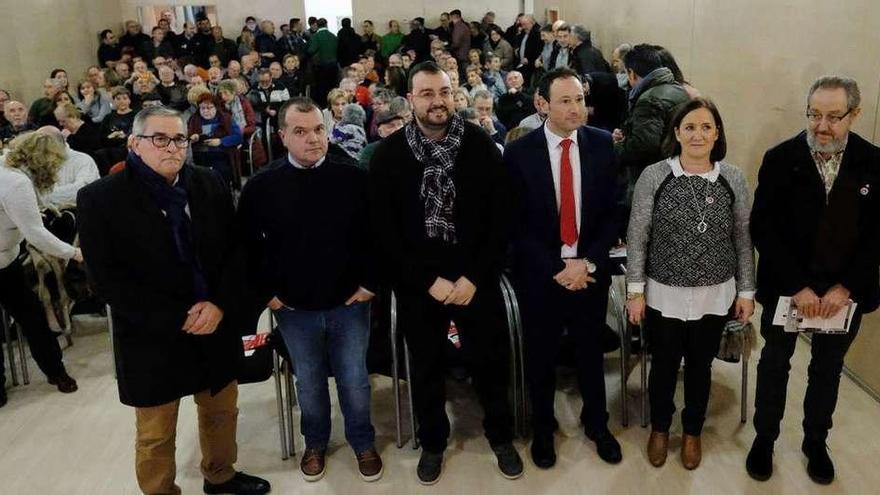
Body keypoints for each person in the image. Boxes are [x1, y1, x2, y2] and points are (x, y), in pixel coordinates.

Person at [76, 106, 271, 495]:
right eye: (159, 139)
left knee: (220, 411)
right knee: (155, 431)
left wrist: (218, 305)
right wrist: (177, 318)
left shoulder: (208, 183)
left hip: (213, 321)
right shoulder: (100, 199)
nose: (171, 147)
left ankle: (220, 475)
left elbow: (235, 252)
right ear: (134, 144)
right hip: (152, 333)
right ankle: (160, 491)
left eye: (179, 139)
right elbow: (106, 280)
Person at [369, 61, 522, 484]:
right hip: (422, 282)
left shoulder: (479, 145)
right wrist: (426, 281)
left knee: (491, 362)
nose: (438, 102)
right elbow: (385, 233)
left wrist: (474, 276)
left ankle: (500, 436)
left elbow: (500, 219)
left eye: (444, 92)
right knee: (427, 367)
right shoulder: (390, 156)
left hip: (475, 278)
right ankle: (434, 441)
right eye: (427, 94)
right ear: (411, 99)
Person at [238, 96, 382, 483]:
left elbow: (378, 236)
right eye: (300, 132)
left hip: (349, 302)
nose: (312, 139)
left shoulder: (352, 177)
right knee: (310, 381)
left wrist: (371, 283)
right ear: (283, 136)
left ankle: (362, 441)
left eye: (319, 129)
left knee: (354, 378)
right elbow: (246, 248)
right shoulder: (262, 186)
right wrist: (266, 293)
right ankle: (315, 442)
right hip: (294, 307)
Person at [746, 76, 880, 486]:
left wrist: (846, 289)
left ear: (854, 115)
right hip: (789, 290)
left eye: (833, 117)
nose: (821, 126)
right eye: (814, 115)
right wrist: (798, 288)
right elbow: (764, 229)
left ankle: (815, 442)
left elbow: (876, 234)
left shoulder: (874, 163)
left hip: (845, 294)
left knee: (828, 368)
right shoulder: (780, 157)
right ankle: (764, 439)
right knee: (774, 364)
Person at [625, 97, 755, 470]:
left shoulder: (733, 178)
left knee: (700, 367)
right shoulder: (655, 175)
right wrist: (635, 292)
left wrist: (746, 291)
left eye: (706, 127)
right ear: (677, 133)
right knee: (663, 365)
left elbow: (743, 238)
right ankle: (661, 429)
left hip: (715, 294)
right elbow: (638, 235)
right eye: (690, 127)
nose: (698, 134)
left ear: (717, 134)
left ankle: (693, 431)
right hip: (663, 292)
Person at [504, 67, 622, 470]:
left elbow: (612, 214)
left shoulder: (603, 144)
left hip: (589, 269)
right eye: (566, 101)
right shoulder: (520, 153)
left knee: (591, 350)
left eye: (580, 99)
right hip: (541, 274)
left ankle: (597, 424)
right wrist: (557, 267)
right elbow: (515, 223)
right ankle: (542, 429)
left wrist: (585, 262)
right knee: (541, 355)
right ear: (542, 104)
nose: (577, 109)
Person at [1, 131, 84, 408]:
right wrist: (74, 253)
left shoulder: (10, 168)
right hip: (3, 260)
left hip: (6, 260)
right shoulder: (15, 182)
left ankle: (55, 372)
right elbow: (35, 233)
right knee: (32, 317)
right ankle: (55, 372)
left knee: (32, 315)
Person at [613, 44, 690, 221]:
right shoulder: (678, 90)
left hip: (653, 186)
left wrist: (616, 147)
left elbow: (643, 146)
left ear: (632, 73)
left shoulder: (649, 99)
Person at [188, 93, 242, 185]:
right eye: (202, 108)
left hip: (221, 155)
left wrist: (221, 141)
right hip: (200, 156)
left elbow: (238, 137)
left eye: (209, 108)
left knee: (221, 175)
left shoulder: (226, 118)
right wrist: (193, 137)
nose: (205, 111)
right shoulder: (193, 120)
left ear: (216, 107)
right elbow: (187, 137)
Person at [308, 18, 339, 108]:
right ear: (326, 25)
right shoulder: (333, 36)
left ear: (317, 25)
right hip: (333, 66)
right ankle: (333, 104)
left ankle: (324, 107)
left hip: (321, 67)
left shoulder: (316, 36)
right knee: (332, 87)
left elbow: (311, 50)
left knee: (322, 88)